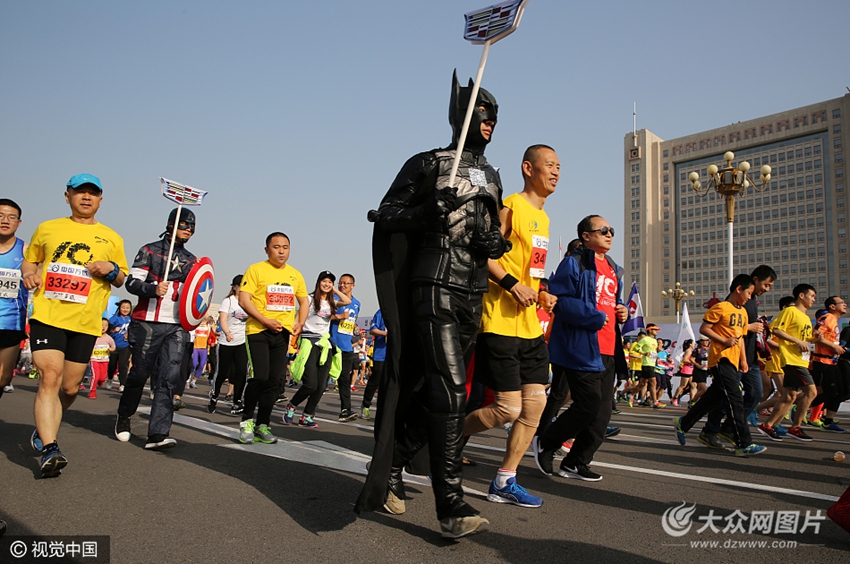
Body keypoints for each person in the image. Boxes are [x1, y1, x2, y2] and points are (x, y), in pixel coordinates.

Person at [355, 71, 508, 539]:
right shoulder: (428, 162)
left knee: (436, 391)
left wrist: (492, 241)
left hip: (472, 292)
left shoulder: (493, 174)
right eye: (482, 111)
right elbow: (384, 213)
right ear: (461, 113)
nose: (490, 121)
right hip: (433, 281)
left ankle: (395, 464)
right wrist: (423, 212)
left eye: (495, 115)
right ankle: (450, 504)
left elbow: (491, 232)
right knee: (452, 391)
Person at [463, 144, 559, 507]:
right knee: (507, 409)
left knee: (534, 407)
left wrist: (541, 292)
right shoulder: (512, 207)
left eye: (559, 166)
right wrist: (511, 286)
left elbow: (529, 271)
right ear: (528, 168)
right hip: (499, 323)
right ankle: (448, 436)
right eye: (549, 165)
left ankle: (504, 480)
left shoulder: (545, 219)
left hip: (530, 328)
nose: (556, 172)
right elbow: (483, 253)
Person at [22, 174, 128, 477]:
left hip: (85, 323)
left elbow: (121, 278)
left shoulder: (112, 237)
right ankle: (50, 447)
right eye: (80, 192)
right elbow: (31, 261)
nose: (86, 197)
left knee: (68, 388)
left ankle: (46, 426)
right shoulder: (48, 228)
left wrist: (111, 270)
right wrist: (30, 274)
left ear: (100, 200)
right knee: (50, 377)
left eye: (92, 193)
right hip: (47, 315)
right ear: (67, 195)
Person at [532, 215, 628, 481]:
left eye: (612, 230)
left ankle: (575, 462)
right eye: (603, 230)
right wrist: (594, 316)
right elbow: (559, 300)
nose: (609, 234)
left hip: (609, 349)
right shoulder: (574, 263)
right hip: (583, 347)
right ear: (586, 236)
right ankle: (546, 442)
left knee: (602, 416)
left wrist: (621, 311)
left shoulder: (612, 268)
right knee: (587, 406)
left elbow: (613, 303)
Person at [114, 208, 198, 450]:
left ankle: (158, 433)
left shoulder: (192, 260)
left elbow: (197, 293)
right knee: (140, 374)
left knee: (169, 378)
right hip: (147, 322)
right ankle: (124, 415)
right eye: (183, 224)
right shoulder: (149, 250)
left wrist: (195, 313)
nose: (188, 229)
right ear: (171, 224)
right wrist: (152, 289)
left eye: (192, 226)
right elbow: (131, 282)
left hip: (176, 326)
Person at [673, 274, 766, 456]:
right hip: (720, 359)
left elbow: (739, 338)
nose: (750, 297)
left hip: (734, 361)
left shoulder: (743, 312)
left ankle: (683, 423)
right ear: (738, 289)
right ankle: (743, 443)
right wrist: (724, 339)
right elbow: (704, 329)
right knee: (735, 399)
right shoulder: (720, 308)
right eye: (748, 293)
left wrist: (744, 361)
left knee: (713, 398)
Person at [238, 232, 309, 444]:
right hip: (258, 331)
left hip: (283, 334)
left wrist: (300, 322)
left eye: (285, 247)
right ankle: (246, 421)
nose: (281, 251)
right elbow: (244, 300)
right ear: (267, 249)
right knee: (260, 377)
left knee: (275, 382)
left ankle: (263, 425)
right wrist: (265, 320)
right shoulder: (256, 269)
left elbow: (304, 302)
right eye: (276, 247)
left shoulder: (295, 275)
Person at [700, 265, 775, 446]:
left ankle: (727, 429)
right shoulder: (738, 300)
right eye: (766, 285)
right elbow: (727, 326)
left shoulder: (751, 301)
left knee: (755, 394)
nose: (767, 289)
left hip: (749, 357)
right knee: (726, 396)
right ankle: (711, 430)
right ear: (754, 280)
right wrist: (750, 327)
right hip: (732, 357)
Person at [283, 271, 349, 427]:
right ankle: (291, 406)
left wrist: (334, 290)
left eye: (330, 282)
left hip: (325, 345)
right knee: (310, 384)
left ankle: (307, 415)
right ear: (318, 282)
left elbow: (346, 300)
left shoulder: (332, 301)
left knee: (321, 386)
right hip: (309, 342)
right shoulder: (309, 299)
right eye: (324, 281)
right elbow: (298, 317)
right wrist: (291, 339)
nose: (327, 284)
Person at [757, 284, 818, 441]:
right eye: (812, 295)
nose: (814, 299)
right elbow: (776, 330)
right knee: (811, 392)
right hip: (791, 360)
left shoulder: (805, 317)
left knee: (789, 396)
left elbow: (805, 338)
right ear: (801, 296)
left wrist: (814, 338)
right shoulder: (789, 311)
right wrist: (796, 341)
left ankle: (768, 425)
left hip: (801, 361)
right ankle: (795, 428)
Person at [0, 199, 28, 403]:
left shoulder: (25, 250)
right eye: (0, 216)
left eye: (11, 217)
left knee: (3, 377)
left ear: (18, 223)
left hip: (10, 323)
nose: (5, 220)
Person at [209, 275, 249, 415]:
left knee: (241, 373)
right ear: (234, 287)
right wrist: (226, 332)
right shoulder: (228, 301)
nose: (243, 288)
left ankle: (237, 401)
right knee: (222, 373)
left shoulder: (250, 301)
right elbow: (223, 320)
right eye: (241, 286)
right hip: (227, 342)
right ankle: (214, 396)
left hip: (242, 342)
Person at [809, 297, 847, 432]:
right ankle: (802, 405)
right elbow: (815, 335)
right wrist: (834, 347)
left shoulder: (834, 320)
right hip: (823, 361)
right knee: (829, 391)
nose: (845, 305)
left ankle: (828, 422)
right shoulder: (827, 317)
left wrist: (837, 349)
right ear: (832, 306)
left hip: (832, 361)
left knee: (839, 392)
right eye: (842, 303)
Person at [330, 273, 361, 422]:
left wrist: (354, 328)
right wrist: (338, 317)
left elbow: (350, 322)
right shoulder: (333, 300)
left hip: (347, 347)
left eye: (346, 283)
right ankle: (302, 409)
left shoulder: (357, 304)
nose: (342, 285)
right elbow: (322, 315)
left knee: (344, 379)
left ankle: (345, 410)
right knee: (318, 381)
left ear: (353, 285)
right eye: (340, 283)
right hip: (331, 344)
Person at [361, 309, 386, 419]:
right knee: (375, 380)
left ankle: (387, 410)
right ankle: (366, 404)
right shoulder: (381, 312)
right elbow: (373, 330)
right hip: (381, 353)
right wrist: (385, 333)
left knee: (391, 383)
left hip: (396, 354)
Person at [634, 323, 664, 407]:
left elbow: (653, 352)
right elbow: (636, 348)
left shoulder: (654, 340)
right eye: (655, 329)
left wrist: (657, 352)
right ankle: (655, 402)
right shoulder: (645, 339)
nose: (656, 331)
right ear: (650, 330)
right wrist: (644, 353)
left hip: (652, 363)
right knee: (653, 382)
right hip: (646, 363)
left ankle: (630, 395)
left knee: (642, 383)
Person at [106, 300, 132, 391]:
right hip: (114, 345)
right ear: (119, 308)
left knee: (123, 365)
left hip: (125, 345)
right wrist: (113, 330)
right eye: (123, 307)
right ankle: (109, 379)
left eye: (127, 308)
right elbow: (106, 330)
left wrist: (130, 335)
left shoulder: (131, 319)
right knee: (112, 365)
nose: (125, 309)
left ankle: (122, 384)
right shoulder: (114, 318)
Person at [87, 318, 116, 399]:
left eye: (105, 325)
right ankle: (92, 392)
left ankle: (100, 381)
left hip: (105, 360)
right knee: (95, 376)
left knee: (102, 377)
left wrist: (111, 349)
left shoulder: (108, 338)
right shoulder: (93, 337)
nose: (103, 327)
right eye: (101, 325)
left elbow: (113, 347)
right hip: (94, 360)